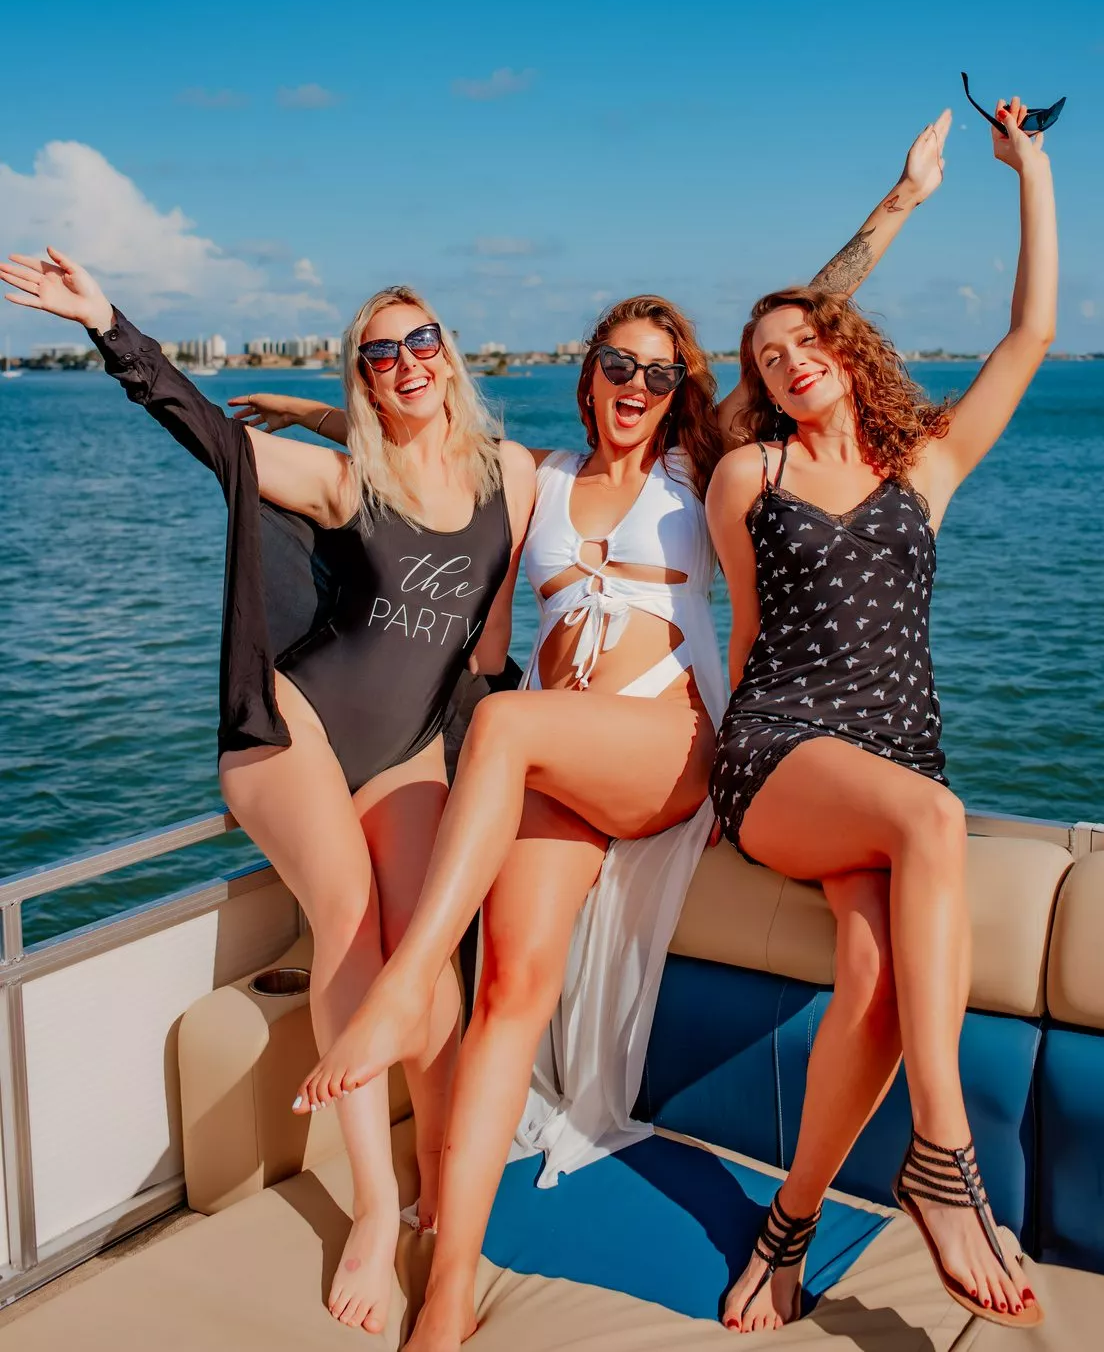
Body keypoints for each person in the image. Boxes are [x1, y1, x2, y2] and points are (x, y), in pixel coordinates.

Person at [281, 118, 951, 1352]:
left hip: (662, 752)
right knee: (510, 1001)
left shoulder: (705, 466)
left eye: (657, 372)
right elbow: (421, 454)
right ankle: (449, 1288)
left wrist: (899, 204)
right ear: (587, 373)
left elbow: (816, 317)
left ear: (681, 390)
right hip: (545, 764)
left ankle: (404, 983)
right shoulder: (533, 476)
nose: (635, 388)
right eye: (616, 366)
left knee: (514, 729)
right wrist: (307, 415)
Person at [0, 252, 535, 1338]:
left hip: (410, 750)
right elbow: (209, 436)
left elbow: (487, 640)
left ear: (450, 354)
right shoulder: (347, 479)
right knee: (348, 920)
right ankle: (379, 1214)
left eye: (421, 338)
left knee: (427, 960)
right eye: (379, 352)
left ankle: (443, 1177)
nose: (406, 361)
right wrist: (109, 324)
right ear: (366, 381)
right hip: (293, 728)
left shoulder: (513, 476)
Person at [704, 98, 1056, 1333]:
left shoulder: (929, 465)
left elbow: (1030, 331)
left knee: (873, 981)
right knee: (934, 818)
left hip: (892, 759)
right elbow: (746, 640)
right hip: (781, 749)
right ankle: (944, 1163)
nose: (789, 360)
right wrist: (707, 786)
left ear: (847, 346)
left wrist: (1032, 169)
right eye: (766, 356)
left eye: (806, 339)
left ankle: (787, 1228)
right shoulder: (750, 474)